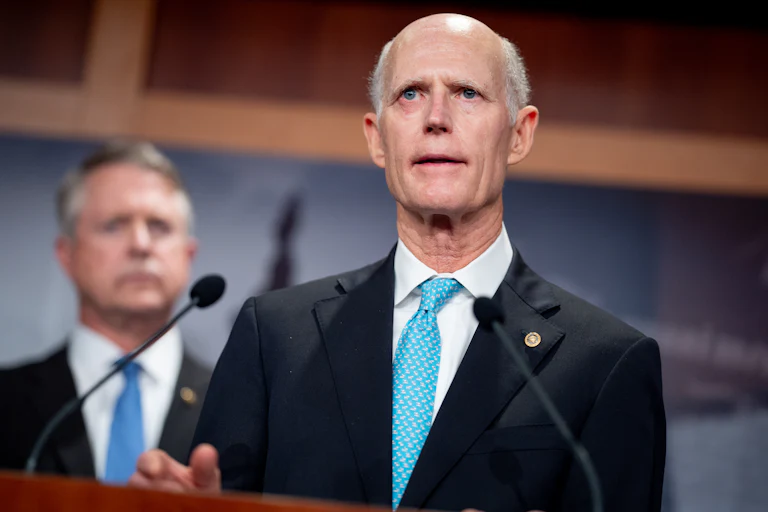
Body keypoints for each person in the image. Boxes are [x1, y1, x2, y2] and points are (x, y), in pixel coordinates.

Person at [128, 13, 666, 512]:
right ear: (377, 138)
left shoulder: (606, 363)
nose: (436, 118)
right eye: (410, 94)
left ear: (519, 134)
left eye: (468, 93)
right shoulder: (273, 336)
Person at [0, 140, 212, 484]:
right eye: (114, 225)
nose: (141, 245)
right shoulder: (6, 400)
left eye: (159, 226)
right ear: (67, 254)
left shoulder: (237, 406)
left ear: (188, 256)